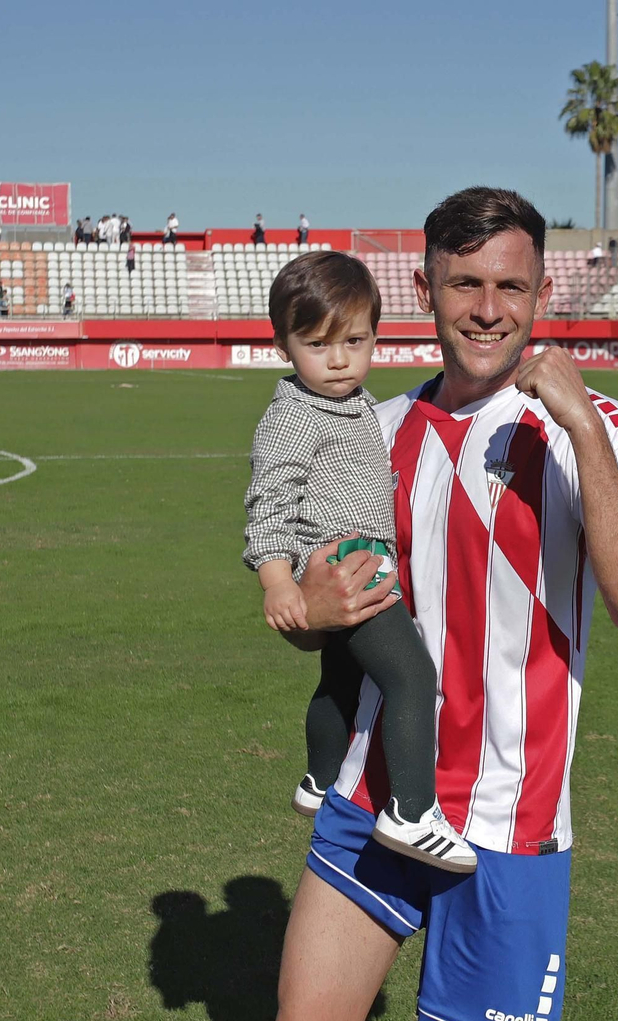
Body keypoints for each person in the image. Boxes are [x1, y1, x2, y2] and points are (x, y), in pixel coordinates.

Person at [265, 187, 618, 1021]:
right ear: (425, 290)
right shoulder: (372, 431)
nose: (489, 310)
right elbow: (318, 618)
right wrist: (312, 610)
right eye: (465, 285)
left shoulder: (593, 427)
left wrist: (581, 425)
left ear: (542, 294)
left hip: (509, 817)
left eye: (511, 287)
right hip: (378, 795)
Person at [242, 250, 472, 871]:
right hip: (348, 568)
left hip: (360, 559)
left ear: (375, 336)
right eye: (317, 344)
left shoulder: (356, 403)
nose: (339, 359)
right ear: (283, 346)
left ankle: (318, 780)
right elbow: (267, 506)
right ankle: (412, 812)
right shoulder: (291, 417)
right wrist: (277, 582)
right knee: (412, 677)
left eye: (355, 341)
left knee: (341, 681)